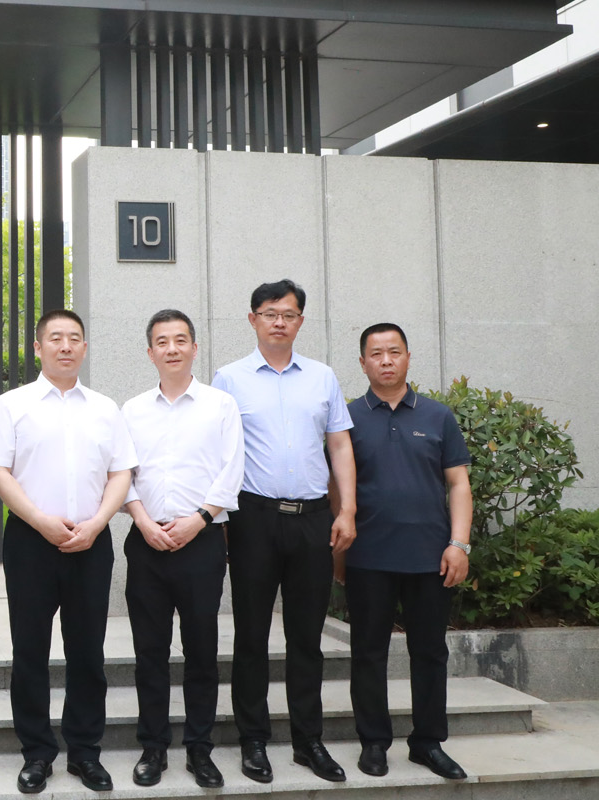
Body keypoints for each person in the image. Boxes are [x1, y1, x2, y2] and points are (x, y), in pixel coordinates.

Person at [0, 309, 136, 795]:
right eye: (55, 338)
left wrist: (98, 522)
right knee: (29, 650)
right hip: (31, 541)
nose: (65, 346)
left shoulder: (105, 408)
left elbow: (121, 472)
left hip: (91, 540)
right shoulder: (13, 404)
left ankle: (85, 751)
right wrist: (39, 519)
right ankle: (36, 752)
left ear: (84, 348)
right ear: (38, 347)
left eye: (74, 338)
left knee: (87, 650)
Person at [211, 278, 356, 784]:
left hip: (313, 519)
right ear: (252, 320)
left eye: (288, 314)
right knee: (251, 635)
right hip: (253, 518)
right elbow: (218, 452)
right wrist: (219, 519)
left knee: (306, 638)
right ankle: (253, 740)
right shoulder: (228, 379)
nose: (279, 322)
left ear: (300, 322)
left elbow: (340, 445)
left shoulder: (322, 377)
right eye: (269, 313)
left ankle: (308, 740)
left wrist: (347, 510)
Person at [340, 323, 472, 781]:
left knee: (430, 652)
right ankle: (374, 742)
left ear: (408, 358)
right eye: (376, 353)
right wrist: (338, 555)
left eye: (394, 352)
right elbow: (338, 490)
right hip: (368, 556)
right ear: (363, 363)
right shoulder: (347, 418)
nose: (386, 360)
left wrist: (459, 544)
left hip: (430, 557)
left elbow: (458, 484)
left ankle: (428, 742)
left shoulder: (438, 416)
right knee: (367, 652)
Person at [120, 309, 244, 789]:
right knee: (149, 652)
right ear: (150, 352)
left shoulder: (220, 405)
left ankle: (199, 749)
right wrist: (142, 520)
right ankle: (153, 747)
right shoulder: (132, 410)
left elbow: (232, 470)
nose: (171, 348)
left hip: (202, 541)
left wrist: (200, 519)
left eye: (180, 340)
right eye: (162, 341)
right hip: (147, 541)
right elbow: (121, 474)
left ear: (194, 347)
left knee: (201, 650)